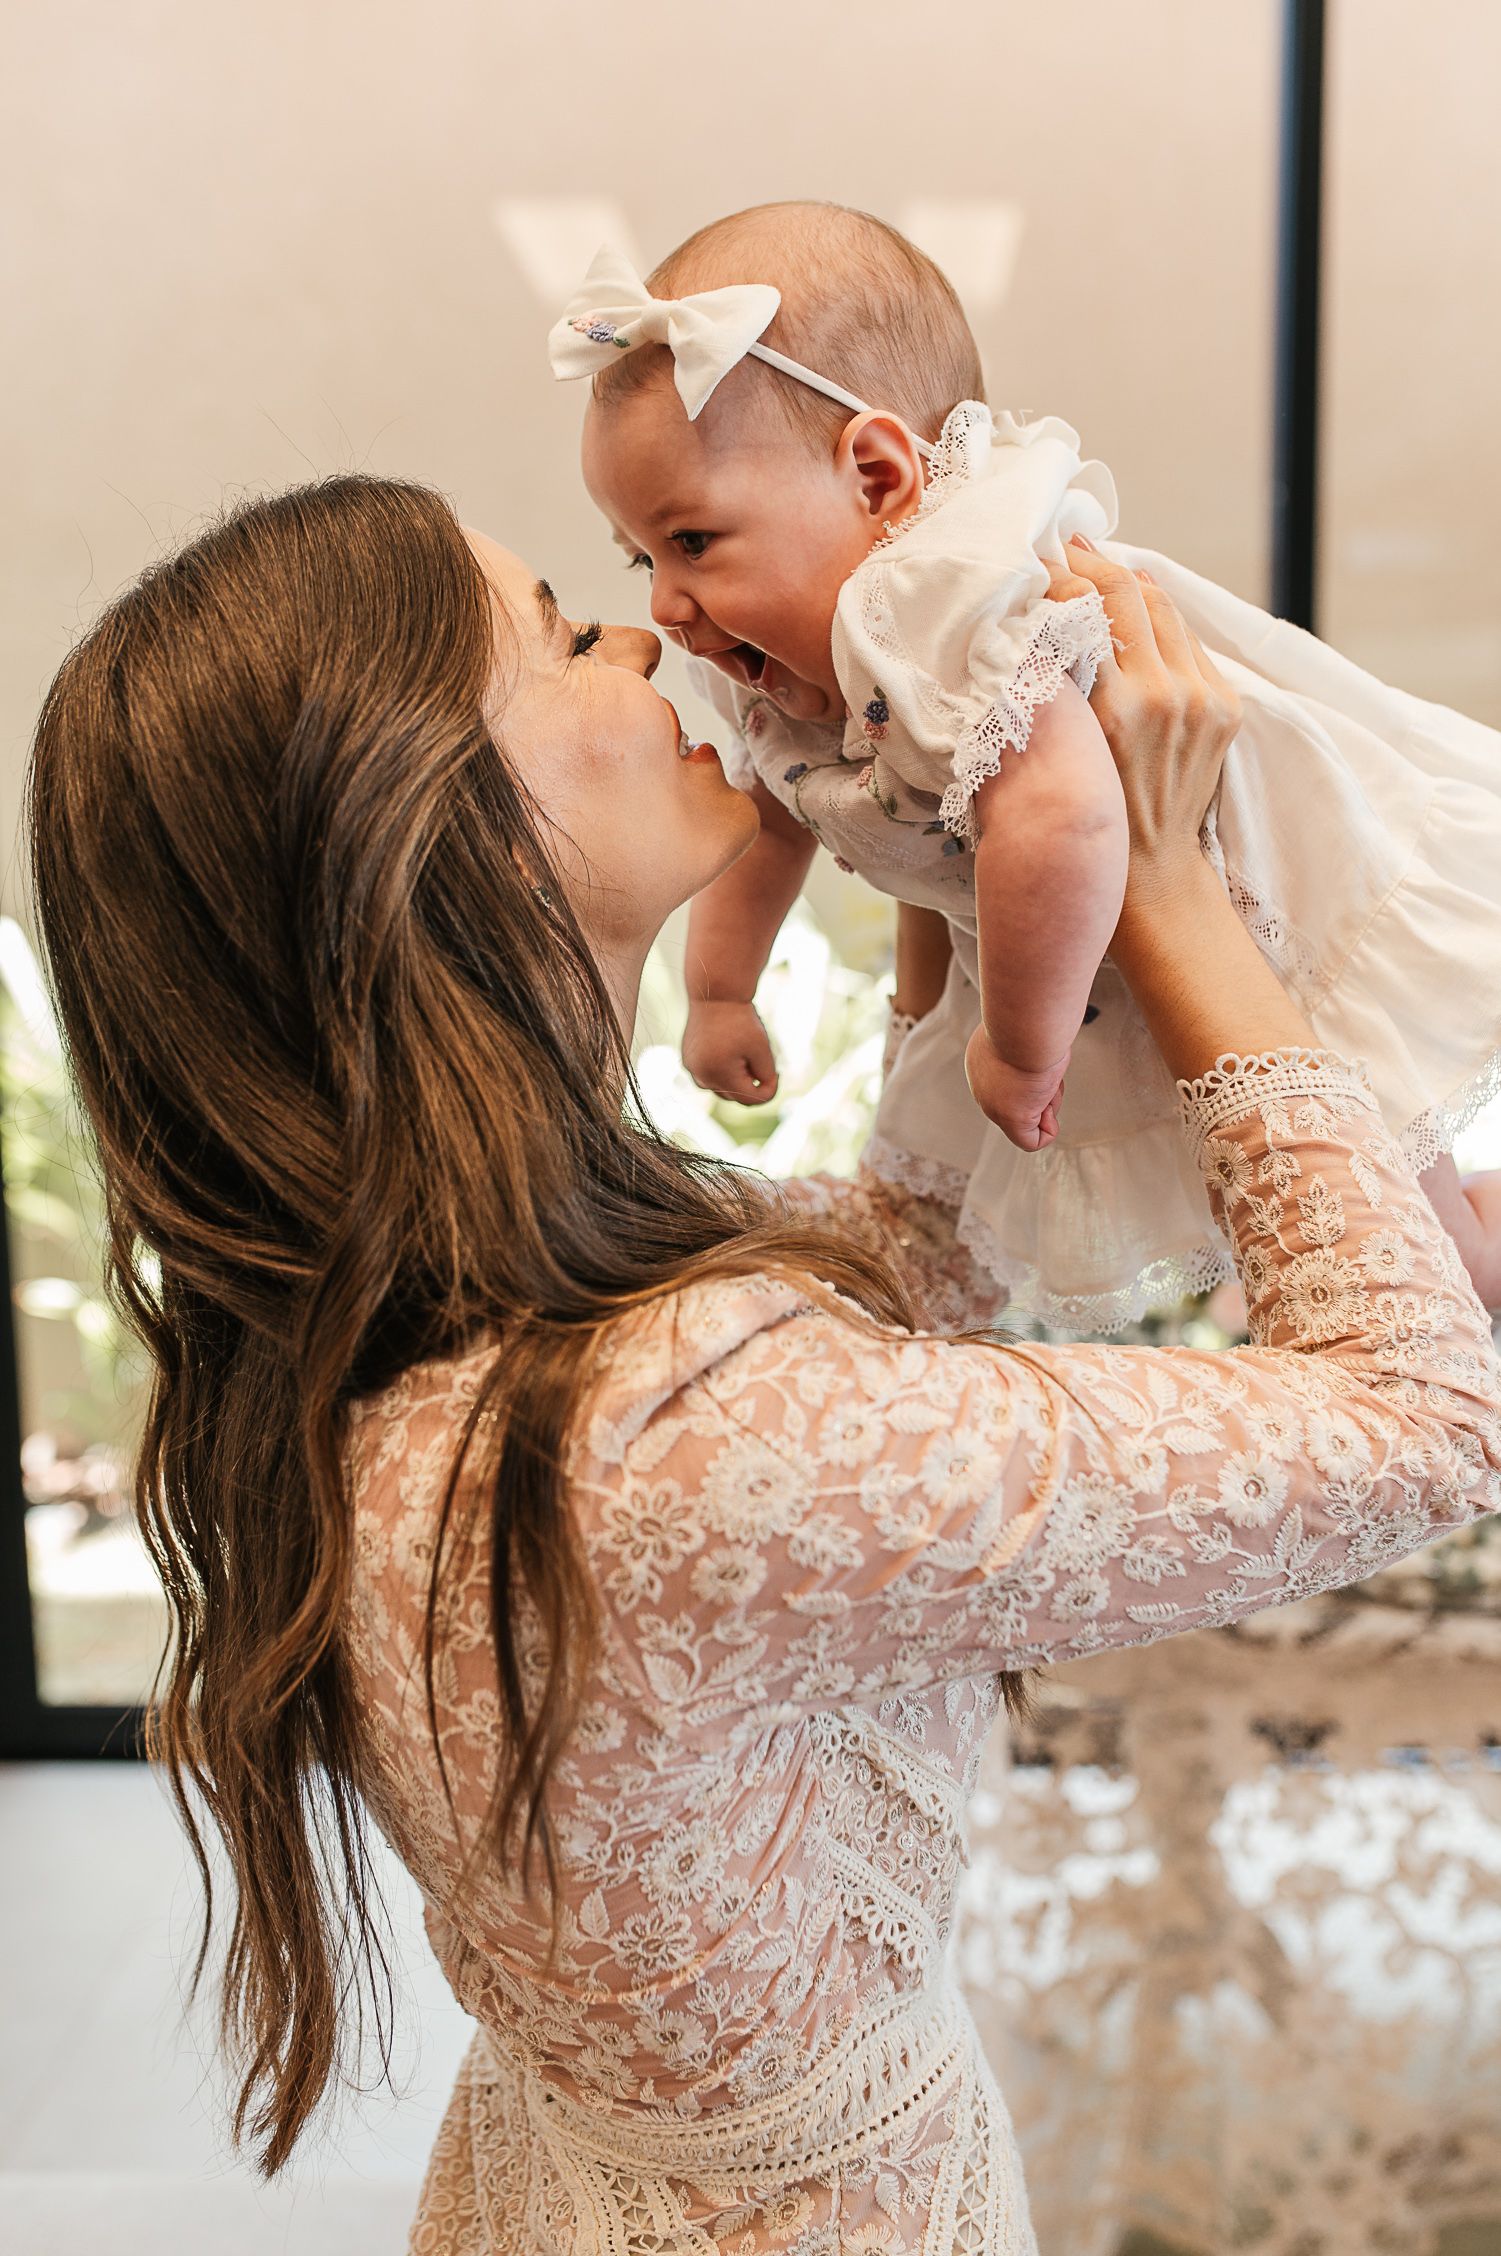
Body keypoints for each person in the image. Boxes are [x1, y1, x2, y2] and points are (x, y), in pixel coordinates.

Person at [26, 474, 1499, 2256]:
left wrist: (949, 879)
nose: (646, 635)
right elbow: (1425, 1418)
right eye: (568, 633)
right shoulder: (670, 1421)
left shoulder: (419, 1333)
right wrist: (1175, 900)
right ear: (449, 836)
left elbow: (914, 1260)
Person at [556, 201, 1501, 1333]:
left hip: (1253, 921)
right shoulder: (771, 648)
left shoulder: (944, 604)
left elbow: (1063, 820)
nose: (662, 604)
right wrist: (720, 985)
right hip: (1070, 950)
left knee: (1420, 1254)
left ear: (877, 478)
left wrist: (1018, 1045)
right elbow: (774, 807)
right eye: (639, 554)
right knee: (1275, 1214)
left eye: (693, 542)